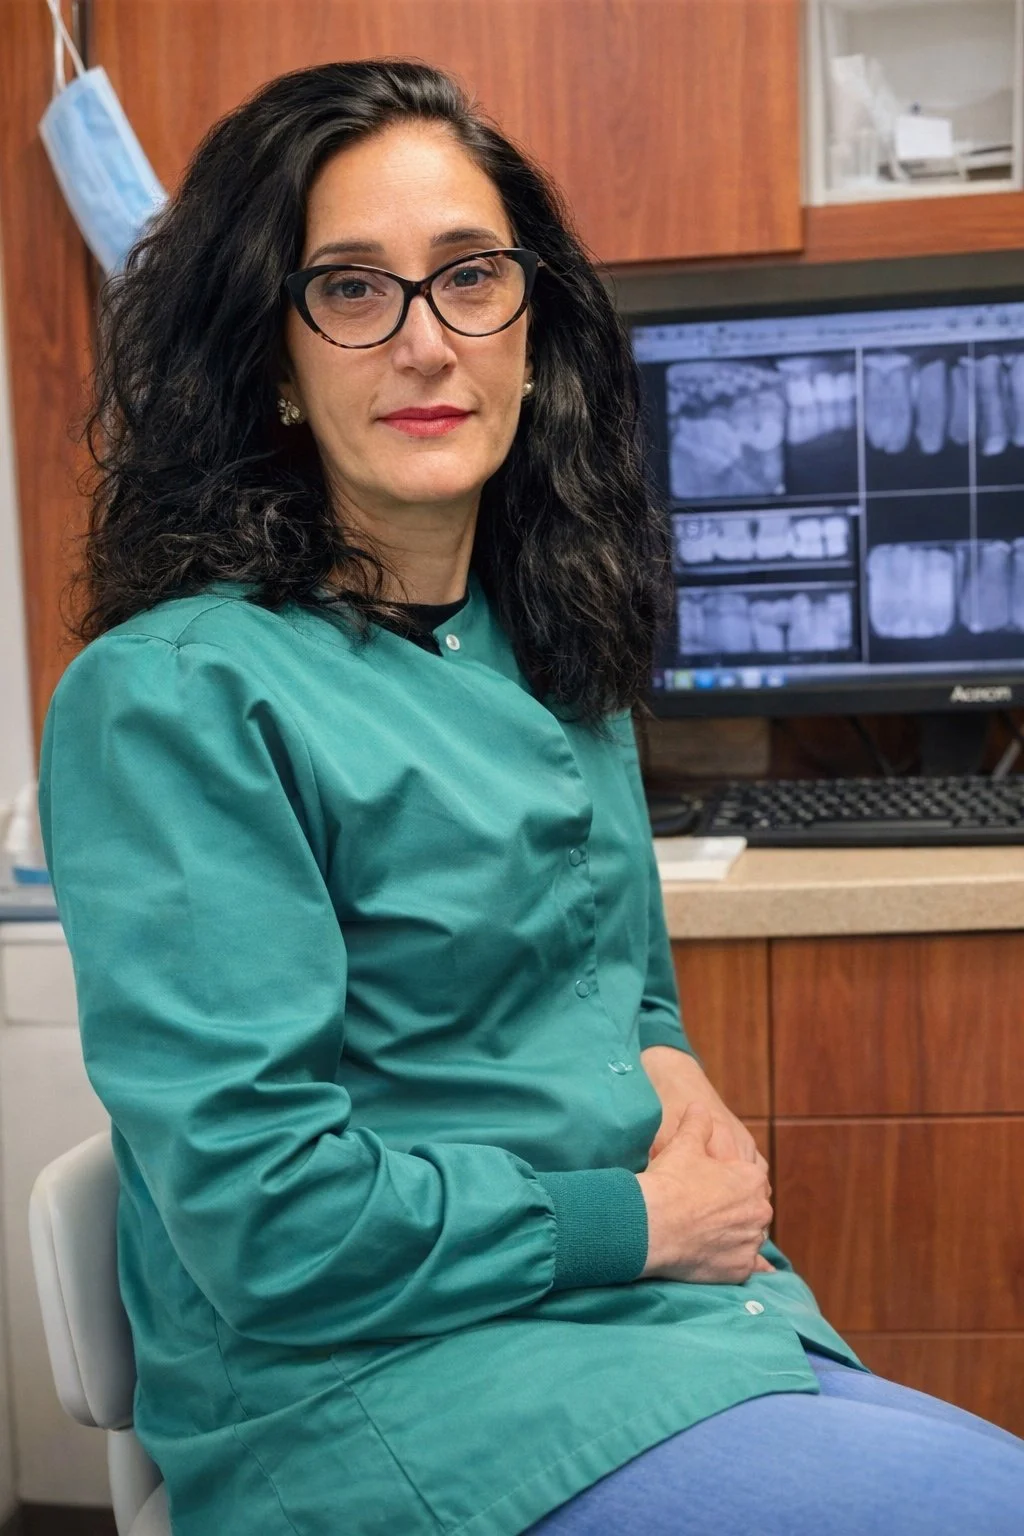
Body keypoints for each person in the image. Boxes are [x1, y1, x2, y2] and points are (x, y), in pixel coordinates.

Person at [38, 60, 1023, 1536]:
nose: (427, 343)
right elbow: (266, 1222)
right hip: (379, 1390)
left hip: (663, 1328)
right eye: (354, 291)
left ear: (533, 332)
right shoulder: (177, 698)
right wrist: (643, 1217)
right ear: (269, 360)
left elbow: (615, 990)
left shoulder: (548, 645)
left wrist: (670, 1071)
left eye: (471, 278)